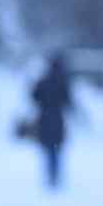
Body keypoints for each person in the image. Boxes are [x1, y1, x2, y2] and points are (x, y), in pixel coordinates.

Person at [31, 54, 73, 190]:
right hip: (57, 119)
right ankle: (54, 176)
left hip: (44, 119)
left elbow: (34, 97)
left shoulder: (43, 81)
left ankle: (51, 176)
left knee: (49, 150)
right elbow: (68, 101)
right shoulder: (63, 82)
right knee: (56, 150)